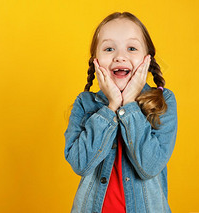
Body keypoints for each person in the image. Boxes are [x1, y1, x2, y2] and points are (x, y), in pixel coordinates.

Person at [64, 11, 178, 213]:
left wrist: (130, 106)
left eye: (131, 48)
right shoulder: (84, 103)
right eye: (109, 49)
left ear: (147, 60)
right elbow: (80, 163)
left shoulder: (163, 101)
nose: (120, 57)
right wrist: (112, 107)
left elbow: (149, 166)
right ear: (95, 61)